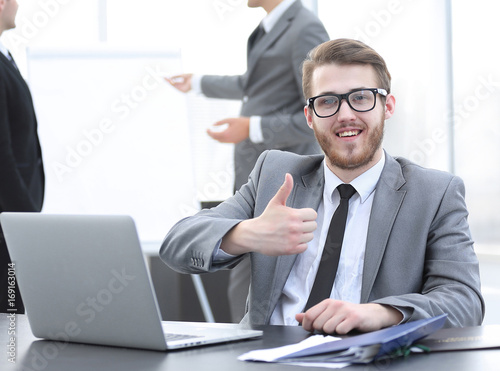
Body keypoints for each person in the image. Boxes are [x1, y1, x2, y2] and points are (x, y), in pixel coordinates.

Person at [160, 38, 485, 333]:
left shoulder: (434, 194)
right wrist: (247, 233)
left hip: (367, 360)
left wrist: (382, 313)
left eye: (360, 97)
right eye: (327, 102)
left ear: (387, 107)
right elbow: (176, 244)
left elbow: (464, 302)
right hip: (267, 359)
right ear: (309, 116)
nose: (344, 114)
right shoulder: (274, 174)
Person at [167, 0, 329, 322]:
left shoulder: (305, 28)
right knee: (243, 275)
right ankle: (245, 345)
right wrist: (197, 82)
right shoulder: (265, 28)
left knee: (259, 278)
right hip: (255, 171)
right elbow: (252, 84)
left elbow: (317, 110)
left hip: (286, 176)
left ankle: (251, 346)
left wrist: (251, 127)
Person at [0, 0, 45, 314]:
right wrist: (26, 220)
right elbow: (2, 157)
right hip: (8, 225)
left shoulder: (6, 57)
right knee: (11, 321)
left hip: (12, 223)